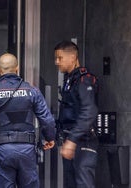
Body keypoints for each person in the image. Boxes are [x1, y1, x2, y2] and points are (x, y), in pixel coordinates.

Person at [0, 53, 56, 188]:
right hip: (27, 150)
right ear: (17, 68)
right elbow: (46, 118)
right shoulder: (32, 91)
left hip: (2, 149)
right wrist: (50, 137)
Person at [54, 40, 99, 188]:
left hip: (83, 141)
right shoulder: (70, 79)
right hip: (71, 140)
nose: (56, 62)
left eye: (60, 58)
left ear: (72, 57)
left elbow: (89, 111)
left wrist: (72, 140)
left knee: (82, 183)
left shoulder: (83, 79)